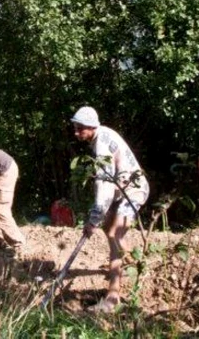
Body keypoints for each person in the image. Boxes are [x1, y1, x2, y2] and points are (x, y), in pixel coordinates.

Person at [70, 106, 150, 313]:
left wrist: (93, 220)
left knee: (116, 234)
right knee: (109, 228)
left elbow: (104, 185)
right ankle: (134, 263)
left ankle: (113, 297)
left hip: (134, 189)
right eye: (75, 128)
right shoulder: (101, 136)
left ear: (90, 127)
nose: (76, 133)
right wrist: (99, 221)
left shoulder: (102, 145)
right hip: (121, 189)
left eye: (79, 129)